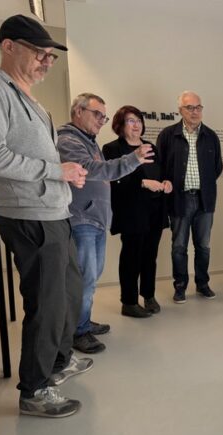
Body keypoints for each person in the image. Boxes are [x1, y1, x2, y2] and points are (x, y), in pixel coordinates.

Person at [0, 15, 90, 417]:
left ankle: (58, 362)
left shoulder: (28, 97)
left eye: (51, 56)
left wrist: (64, 173)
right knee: (46, 302)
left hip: (53, 211)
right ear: (8, 46)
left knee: (68, 294)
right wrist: (55, 171)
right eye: (39, 53)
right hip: (30, 214)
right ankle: (35, 389)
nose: (47, 61)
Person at [58, 93, 154, 353]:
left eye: (104, 116)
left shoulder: (88, 141)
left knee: (92, 276)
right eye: (97, 114)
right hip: (82, 220)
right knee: (85, 278)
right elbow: (92, 170)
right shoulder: (68, 140)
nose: (102, 120)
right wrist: (133, 159)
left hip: (95, 220)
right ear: (78, 112)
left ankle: (83, 322)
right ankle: (78, 332)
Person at [102, 106, 172, 316]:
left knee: (150, 255)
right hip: (132, 211)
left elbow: (161, 171)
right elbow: (113, 180)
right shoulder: (112, 149)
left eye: (139, 120)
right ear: (120, 125)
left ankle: (149, 296)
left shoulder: (150, 147)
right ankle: (129, 302)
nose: (136, 125)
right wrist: (142, 183)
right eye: (130, 121)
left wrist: (166, 182)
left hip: (155, 209)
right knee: (131, 256)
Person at [157, 91, 222, 303]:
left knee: (203, 246)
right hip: (179, 199)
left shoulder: (211, 136)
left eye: (198, 107)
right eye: (190, 107)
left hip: (205, 200)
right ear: (180, 111)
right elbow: (160, 166)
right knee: (179, 247)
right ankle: (180, 286)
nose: (195, 112)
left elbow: (217, 168)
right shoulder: (168, 135)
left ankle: (202, 284)